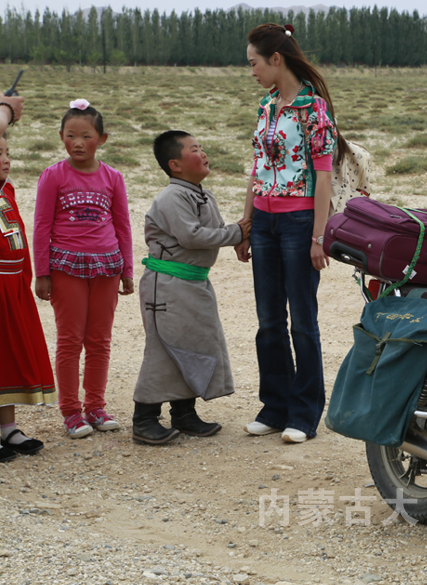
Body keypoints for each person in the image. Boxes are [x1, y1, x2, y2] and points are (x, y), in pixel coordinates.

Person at [235, 23, 342, 444]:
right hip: (264, 224)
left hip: (299, 224)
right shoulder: (266, 106)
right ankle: (275, 407)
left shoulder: (314, 109)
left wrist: (319, 237)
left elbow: (324, 177)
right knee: (268, 321)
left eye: (254, 63)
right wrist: (246, 224)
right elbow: (257, 169)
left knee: (302, 321)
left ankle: (304, 413)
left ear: (276, 59)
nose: (252, 72)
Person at [132, 130, 250, 445]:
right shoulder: (171, 197)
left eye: (202, 147)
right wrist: (236, 233)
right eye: (194, 149)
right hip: (167, 285)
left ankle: (184, 414)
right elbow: (192, 237)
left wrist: (237, 235)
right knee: (163, 349)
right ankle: (144, 419)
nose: (203, 153)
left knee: (192, 345)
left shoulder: (204, 195)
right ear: (175, 165)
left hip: (194, 282)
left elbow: (217, 231)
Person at [33, 99, 134, 438]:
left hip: (107, 267)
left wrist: (127, 270)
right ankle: (71, 412)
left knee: (100, 341)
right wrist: (42, 272)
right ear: (61, 136)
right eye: (70, 135)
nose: (77, 143)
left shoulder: (113, 177)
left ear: (101, 139)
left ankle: (96, 407)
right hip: (66, 268)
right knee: (70, 340)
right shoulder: (53, 176)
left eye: (86, 136)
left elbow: (122, 225)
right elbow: (41, 226)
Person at [0, 132, 55, 462]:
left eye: (7, 152)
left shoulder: (6, 190)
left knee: (7, 356)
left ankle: (7, 427)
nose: (6, 159)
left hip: (12, 287)